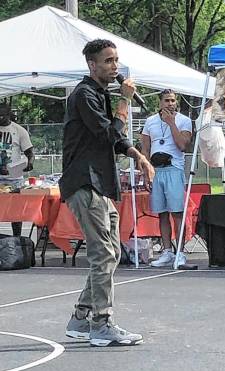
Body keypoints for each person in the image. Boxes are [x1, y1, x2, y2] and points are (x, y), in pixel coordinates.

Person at [59, 39, 154, 347]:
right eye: (109, 61)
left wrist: (137, 155)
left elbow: (113, 139)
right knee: (103, 254)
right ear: (92, 65)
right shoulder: (84, 94)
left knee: (110, 252)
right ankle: (102, 323)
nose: (115, 66)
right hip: (85, 183)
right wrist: (125, 101)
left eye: (116, 60)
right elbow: (108, 133)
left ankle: (81, 318)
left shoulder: (99, 94)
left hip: (100, 183)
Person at [141, 89, 192, 268]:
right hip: (157, 170)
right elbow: (145, 149)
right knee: (162, 213)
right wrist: (145, 171)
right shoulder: (150, 122)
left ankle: (180, 252)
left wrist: (171, 123)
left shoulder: (184, 121)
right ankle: (167, 250)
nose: (170, 104)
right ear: (160, 102)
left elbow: (183, 145)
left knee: (177, 212)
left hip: (174, 169)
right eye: (167, 101)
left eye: (173, 101)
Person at [0, 103, 34, 236]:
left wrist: (29, 163)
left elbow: (30, 153)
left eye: (2, 116)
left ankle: (17, 239)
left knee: (15, 213)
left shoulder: (19, 131)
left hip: (13, 178)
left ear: (9, 115)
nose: (0, 118)